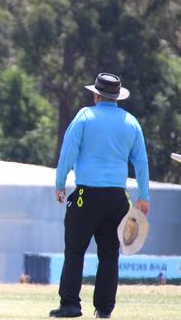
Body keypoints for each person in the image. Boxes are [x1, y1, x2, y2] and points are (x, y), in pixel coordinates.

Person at [50, 73, 149, 319]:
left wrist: (60, 184)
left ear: (96, 94)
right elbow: (141, 162)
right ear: (117, 96)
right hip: (117, 198)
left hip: (86, 194)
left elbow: (67, 153)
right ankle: (104, 309)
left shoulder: (85, 116)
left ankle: (71, 304)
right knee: (109, 253)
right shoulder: (131, 122)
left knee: (75, 250)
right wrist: (143, 196)